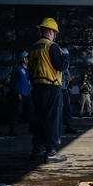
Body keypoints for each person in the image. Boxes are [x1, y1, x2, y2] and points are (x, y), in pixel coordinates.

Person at [28, 17, 69, 163]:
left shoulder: (34, 47)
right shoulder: (52, 46)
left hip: (37, 87)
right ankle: (51, 152)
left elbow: (29, 68)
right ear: (51, 31)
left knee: (39, 119)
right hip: (51, 87)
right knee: (52, 119)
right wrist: (66, 57)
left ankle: (37, 150)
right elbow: (60, 67)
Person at [8, 51, 33, 136]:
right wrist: (17, 93)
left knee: (30, 111)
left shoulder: (28, 70)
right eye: (26, 58)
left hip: (27, 93)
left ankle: (31, 128)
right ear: (23, 59)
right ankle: (12, 129)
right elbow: (13, 83)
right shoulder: (17, 69)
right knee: (16, 112)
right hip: (20, 94)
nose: (28, 59)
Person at [61, 48, 77, 134]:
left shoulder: (66, 67)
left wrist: (70, 82)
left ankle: (68, 126)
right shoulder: (60, 66)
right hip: (59, 90)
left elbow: (68, 77)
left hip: (64, 90)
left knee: (67, 109)